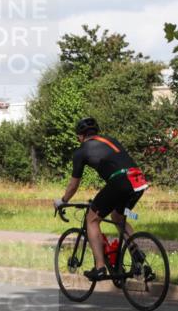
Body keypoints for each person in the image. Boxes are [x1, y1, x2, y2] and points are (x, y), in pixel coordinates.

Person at [54, 117, 148, 281]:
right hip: (138, 180)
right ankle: (136, 253)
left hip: (120, 181)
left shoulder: (81, 151)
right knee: (118, 216)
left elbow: (73, 185)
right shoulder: (111, 140)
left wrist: (63, 200)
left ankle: (99, 267)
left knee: (92, 220)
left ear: (81, 136)